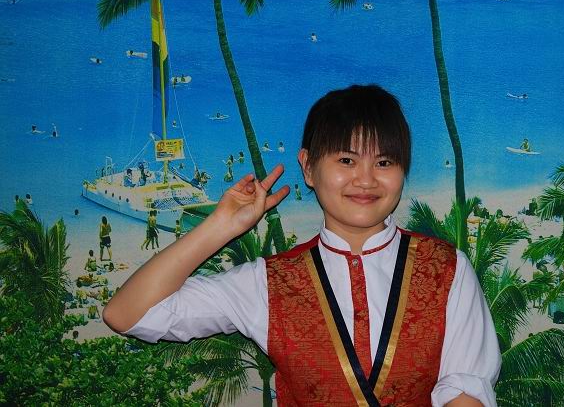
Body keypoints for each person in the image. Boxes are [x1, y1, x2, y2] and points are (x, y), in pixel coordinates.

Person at [104, 85, 500, 407]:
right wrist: (219, 228)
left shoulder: (446, 269)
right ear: (308, 167)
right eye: (346, 161)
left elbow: (465, 391)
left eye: (383, 163)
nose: (366, 180)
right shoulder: (268, 283)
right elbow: (127, 314)